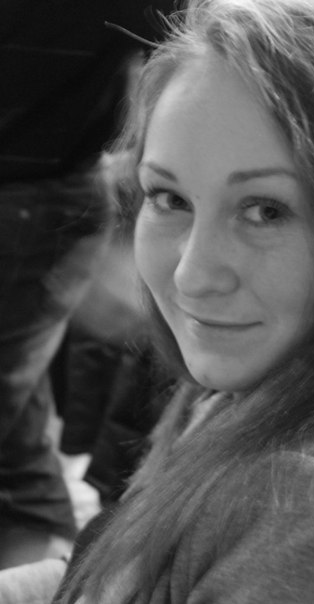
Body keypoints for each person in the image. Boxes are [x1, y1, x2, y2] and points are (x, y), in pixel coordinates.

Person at [3, 0, 314, 600]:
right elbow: (121, 575)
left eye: (266, 211)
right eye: (169, 199)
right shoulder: (257, 373)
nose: (192, 276)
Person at [0, 0, 175, 569]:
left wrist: (141, 236)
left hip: (34, 193)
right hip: (42, 192)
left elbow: (196, 51)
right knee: (19, 434)